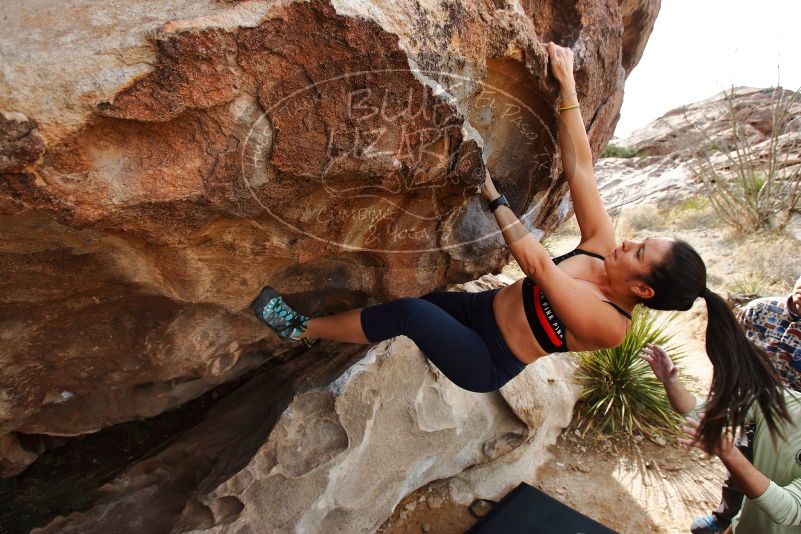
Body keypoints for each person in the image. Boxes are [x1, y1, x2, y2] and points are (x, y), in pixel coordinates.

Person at [252, 42, 789, 450]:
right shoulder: (602, 247)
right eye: (640, 238)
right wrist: (568, 87)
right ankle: (323, 332)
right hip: (476, 309)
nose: (627, 241)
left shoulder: (610, 323)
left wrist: (491, 194)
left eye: (641, 251)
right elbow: (581, 167)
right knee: (405, 306)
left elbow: (536, 264)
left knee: (411, 314)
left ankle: (299, 328)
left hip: (487, 357)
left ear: (643, 287)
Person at [681, 276, 801, 533]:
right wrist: (719, 394)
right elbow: (729, 356)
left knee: (774, 481)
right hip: (747, 406)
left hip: (790, 425)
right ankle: (724, 519)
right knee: (737, 467)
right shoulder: (760, 311)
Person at [641, 344, 801, 534]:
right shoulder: (784, 401)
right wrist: (671, 381)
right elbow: (707, 413)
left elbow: (789, 510)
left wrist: (729, 453)